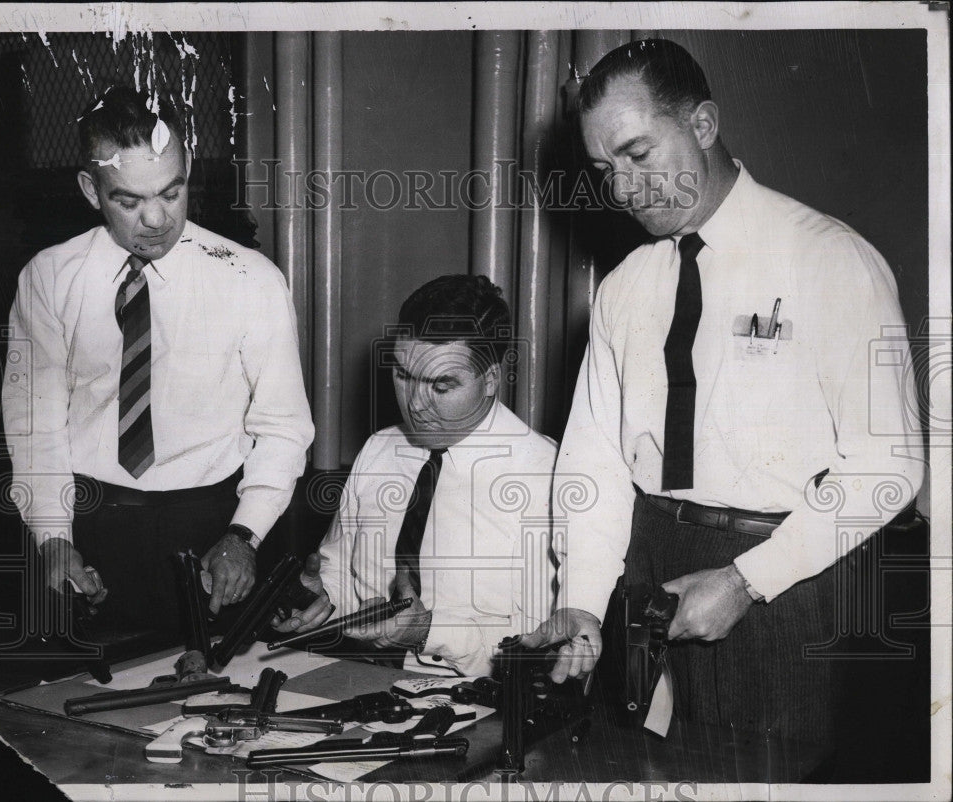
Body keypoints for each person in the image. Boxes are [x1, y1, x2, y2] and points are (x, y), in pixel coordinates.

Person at [521, 39, 924, 744]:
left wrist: (745, 580)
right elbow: (594, 463)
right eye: (604, 168)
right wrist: (583, 602)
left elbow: (890, 467)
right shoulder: (625, 288)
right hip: (645, 575)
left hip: (787, 578)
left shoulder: (828, 259)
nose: (621, 189)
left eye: (638, 154)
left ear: (703, 125)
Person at [1, 87, 314, 636]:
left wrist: (245, 535)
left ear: (188, 169)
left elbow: (284, 429)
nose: (155, 218)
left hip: (216, 528)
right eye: (127, 200)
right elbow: (35, 426)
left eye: (172, 192)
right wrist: (53, 537)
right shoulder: (49, 278)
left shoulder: (251, 278)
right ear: (90, 190)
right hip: (91, 525)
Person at [273, 275, 558, 676]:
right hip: (367, 684)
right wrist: (319, 597)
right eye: (404, 376)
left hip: (488, 704)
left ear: (491, 378)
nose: (415, 405)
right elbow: (341, 571)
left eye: (441, 385)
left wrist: (426, 631)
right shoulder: (380, 450)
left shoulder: (546, 477)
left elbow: (539, 652)